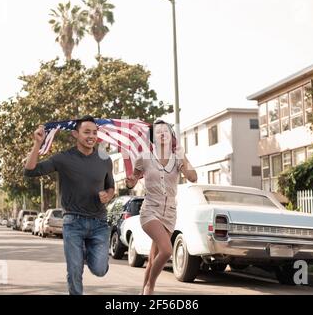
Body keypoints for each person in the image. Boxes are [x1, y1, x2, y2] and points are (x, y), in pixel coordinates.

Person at [24, 115, 115, 295]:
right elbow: (30, 170)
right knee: (74, 270)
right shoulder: (63, 158)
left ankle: (86, 253)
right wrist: (37, 144)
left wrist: (108, 195)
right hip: (73, 222)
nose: (91, 136)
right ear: (75, 134)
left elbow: (111, 186)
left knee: (100, 269)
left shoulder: (104, 159)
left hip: (99, 223)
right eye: (86, 132)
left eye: (95, 132)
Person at [126, 120, 197, 295]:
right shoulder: (144, 158)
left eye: (166, 130)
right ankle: (150, 286)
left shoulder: (178, 158)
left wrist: (183, 157)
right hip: (150, 210)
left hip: (170, 213)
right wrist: (131, 181)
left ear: (172, 135)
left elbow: (193, 177)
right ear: (154, 138)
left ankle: (144, 292)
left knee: (153, 259)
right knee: (166, 251)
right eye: (159, 131)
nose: (163, 133)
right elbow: (133, 179)